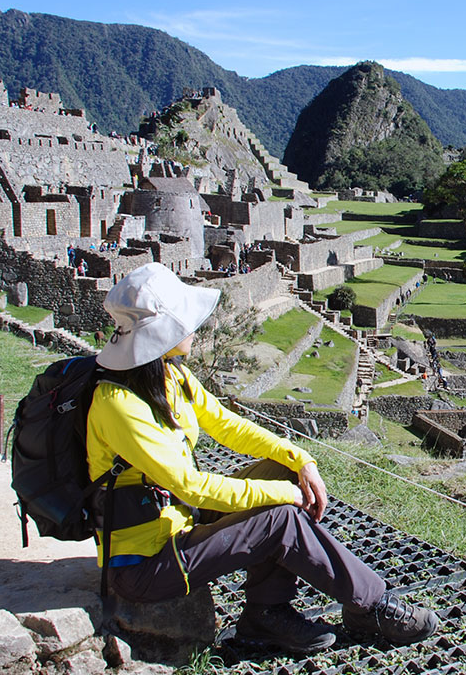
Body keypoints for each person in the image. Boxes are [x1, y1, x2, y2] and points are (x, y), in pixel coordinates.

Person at [86, 263, 439, 654]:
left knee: (286, 472)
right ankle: (369, 604)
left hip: (180, 521)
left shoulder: (170, 375)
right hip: (146, 564)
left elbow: (226, 424)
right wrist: (279, 494)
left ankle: (265, 614)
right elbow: (191, 485)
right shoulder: (118, 404)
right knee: (280, 514)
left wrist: (299, 458)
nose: (192, 327)